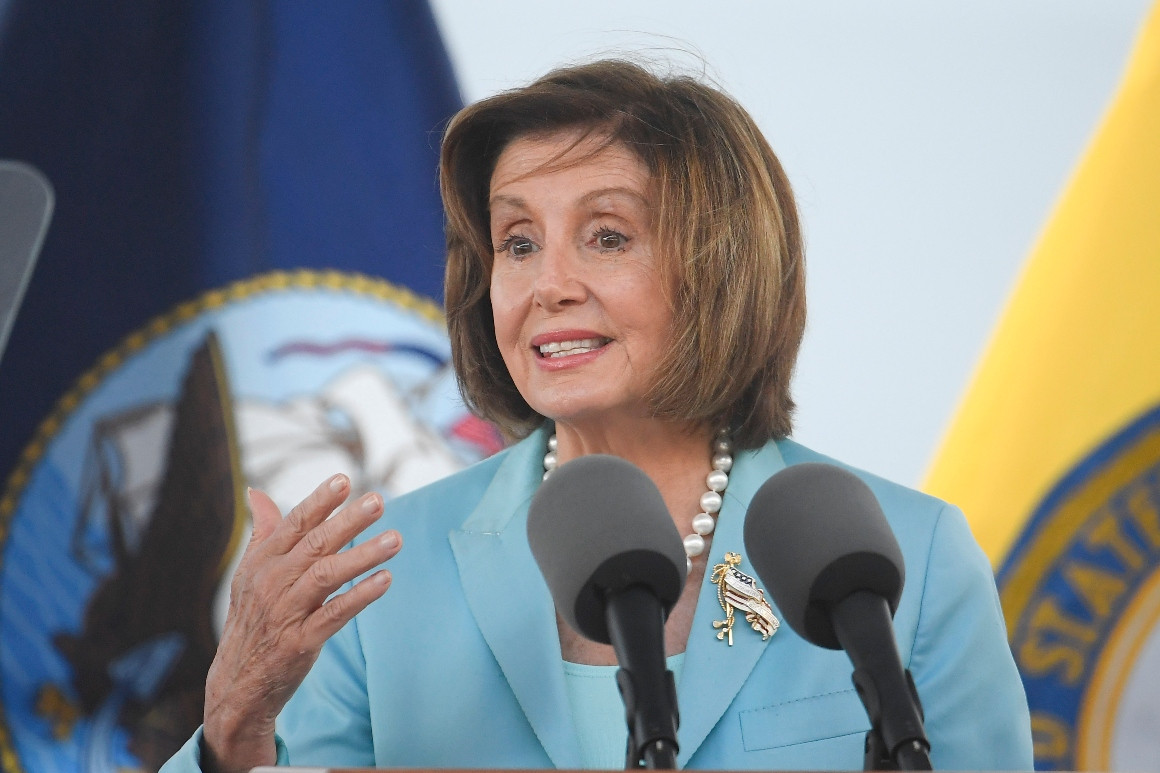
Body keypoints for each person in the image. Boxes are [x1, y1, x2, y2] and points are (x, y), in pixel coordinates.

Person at [163, 59, 1034, 772]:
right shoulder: (386, 581)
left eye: (607, 236)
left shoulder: (905, 563)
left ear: (720, 267)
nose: (550, 285)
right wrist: (231, 736)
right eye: (518, 242)